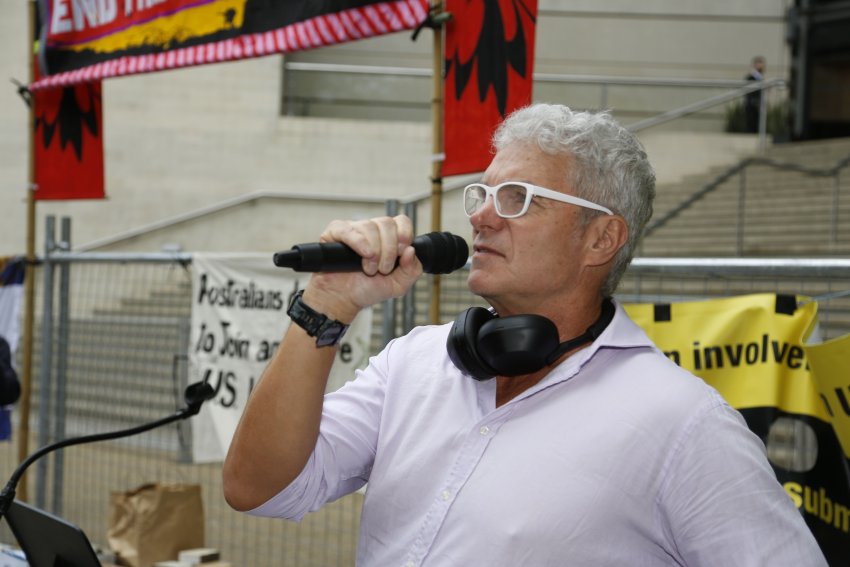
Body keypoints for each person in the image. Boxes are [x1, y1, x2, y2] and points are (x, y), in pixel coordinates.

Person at [222, 103, 826, 566]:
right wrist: (325, 305)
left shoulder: (682, 422)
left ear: (601, 239)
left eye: (519, 199)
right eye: (483, 193)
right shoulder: (413, 363)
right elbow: (256, 487)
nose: (481, 214)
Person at [744, 55, 766, 133]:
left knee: (757, 124)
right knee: (751, 124)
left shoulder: (760, 77)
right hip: (751, 104)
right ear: (755, 65)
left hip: (758, 104)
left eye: (762, 63)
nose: (761, 65)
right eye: (759, 63)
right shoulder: (751, 77)